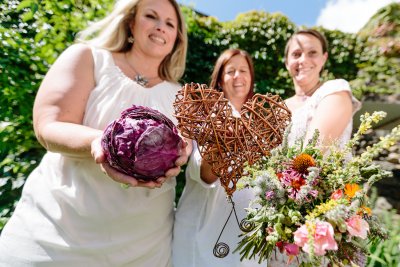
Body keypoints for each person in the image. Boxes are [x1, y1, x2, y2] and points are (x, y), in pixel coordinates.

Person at [0, 0, 190, 266]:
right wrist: (99, 143)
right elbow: (48, 124)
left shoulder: (183, 96)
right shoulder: (88, 57)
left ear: (177, 39)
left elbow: (185, 148)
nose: (161, 27)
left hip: (144, 246)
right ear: (130, 22)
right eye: (152, 16)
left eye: (170, 24)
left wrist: (183, 153)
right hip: (58, 234)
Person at [268, 29, 361, 266]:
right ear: (287, 60)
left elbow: (312, 155)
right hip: (280, 223)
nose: (303, 60)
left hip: (322, 219)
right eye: (296, 53)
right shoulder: (278, 107)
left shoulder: (335, 91)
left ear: (324, 58)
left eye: (312, 53)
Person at [172, 49, 260, 267]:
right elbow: (201, 172)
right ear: (221, 79)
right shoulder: (206, 114)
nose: (238, 76)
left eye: (243, 70)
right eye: (231, 71)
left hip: (247, 236)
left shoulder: (259, 122)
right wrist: (222, 145)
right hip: (205, 232)